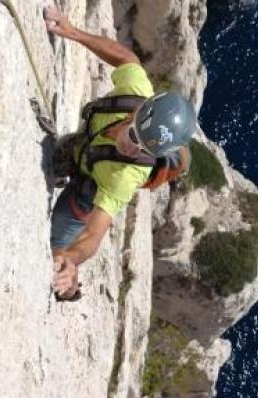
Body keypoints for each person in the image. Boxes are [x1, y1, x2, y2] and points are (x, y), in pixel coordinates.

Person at [43, 5, 196, 301]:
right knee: (59, 151)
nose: (133, 147)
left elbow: (94, 234)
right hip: (85, 148)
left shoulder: (125, 176)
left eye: (144, 148)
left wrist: (72, 259)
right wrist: (72, 32)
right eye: (134, 135)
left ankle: (71, 286)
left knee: (57, 245)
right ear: (139, 110)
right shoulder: (135, 90)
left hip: (88, 189)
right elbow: (127, 58)